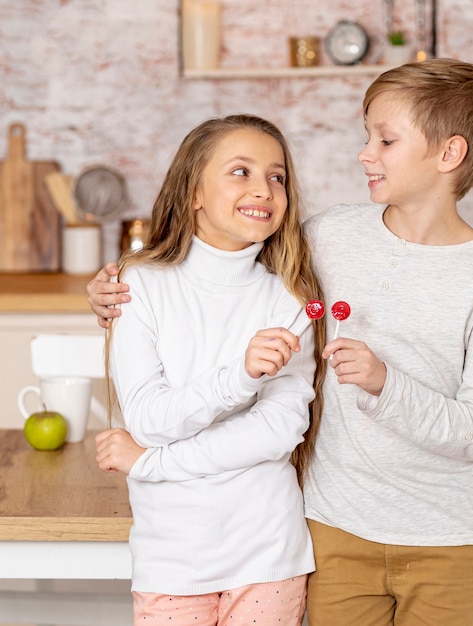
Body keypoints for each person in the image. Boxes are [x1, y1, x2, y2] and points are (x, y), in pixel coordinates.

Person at [88, 59, 473, 626]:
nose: (365, 154)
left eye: (385, 140)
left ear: (449, 155)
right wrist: (111, 293)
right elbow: (220, 268)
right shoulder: (325, 238)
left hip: (445, 533)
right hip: (330, 527)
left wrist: (386, 384)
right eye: (367, 136)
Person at [93, 114, 327, 626]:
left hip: (269, 553)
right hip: (172, 557)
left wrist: (153, 464)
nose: (264, 189)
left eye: (277, 176)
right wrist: (238, 377)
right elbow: (149, 420)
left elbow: (279, 429)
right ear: (194, 191)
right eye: (240, 172)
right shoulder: (140, 287)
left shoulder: (288, 298)